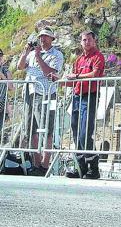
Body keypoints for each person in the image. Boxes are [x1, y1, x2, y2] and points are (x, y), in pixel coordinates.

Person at [16, 27, 64, 176]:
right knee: (30, 129)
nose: (42, 39)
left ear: (52, 39)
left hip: (47, 94)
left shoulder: (57, 55)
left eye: (46, 37)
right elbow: (20, 66)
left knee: (46, 129)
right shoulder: (31, 53)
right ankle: (36, 163)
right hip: (29, 92)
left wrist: (38, 56)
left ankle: (45, 164)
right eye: (40, 36)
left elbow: (49, 72)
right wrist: (26, 51)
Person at [61, 30, 105, 179]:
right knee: (75, 131)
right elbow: (73, 80)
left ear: (94, 41)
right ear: (81, 42)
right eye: (84, 40)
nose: (86, 42)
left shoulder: (98, 56)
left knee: (85, 133)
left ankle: (94, 167)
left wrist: (77, 76)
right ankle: (81, 167)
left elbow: (95, 74)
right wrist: (59, 79)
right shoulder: (78, 60)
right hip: (77, 96)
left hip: (90, 96)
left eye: (89, 40)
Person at [0, 49, 8, 133]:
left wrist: (2, 74)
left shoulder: (4, 69)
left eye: (0, 56)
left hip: (1, 104)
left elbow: (11, 87)